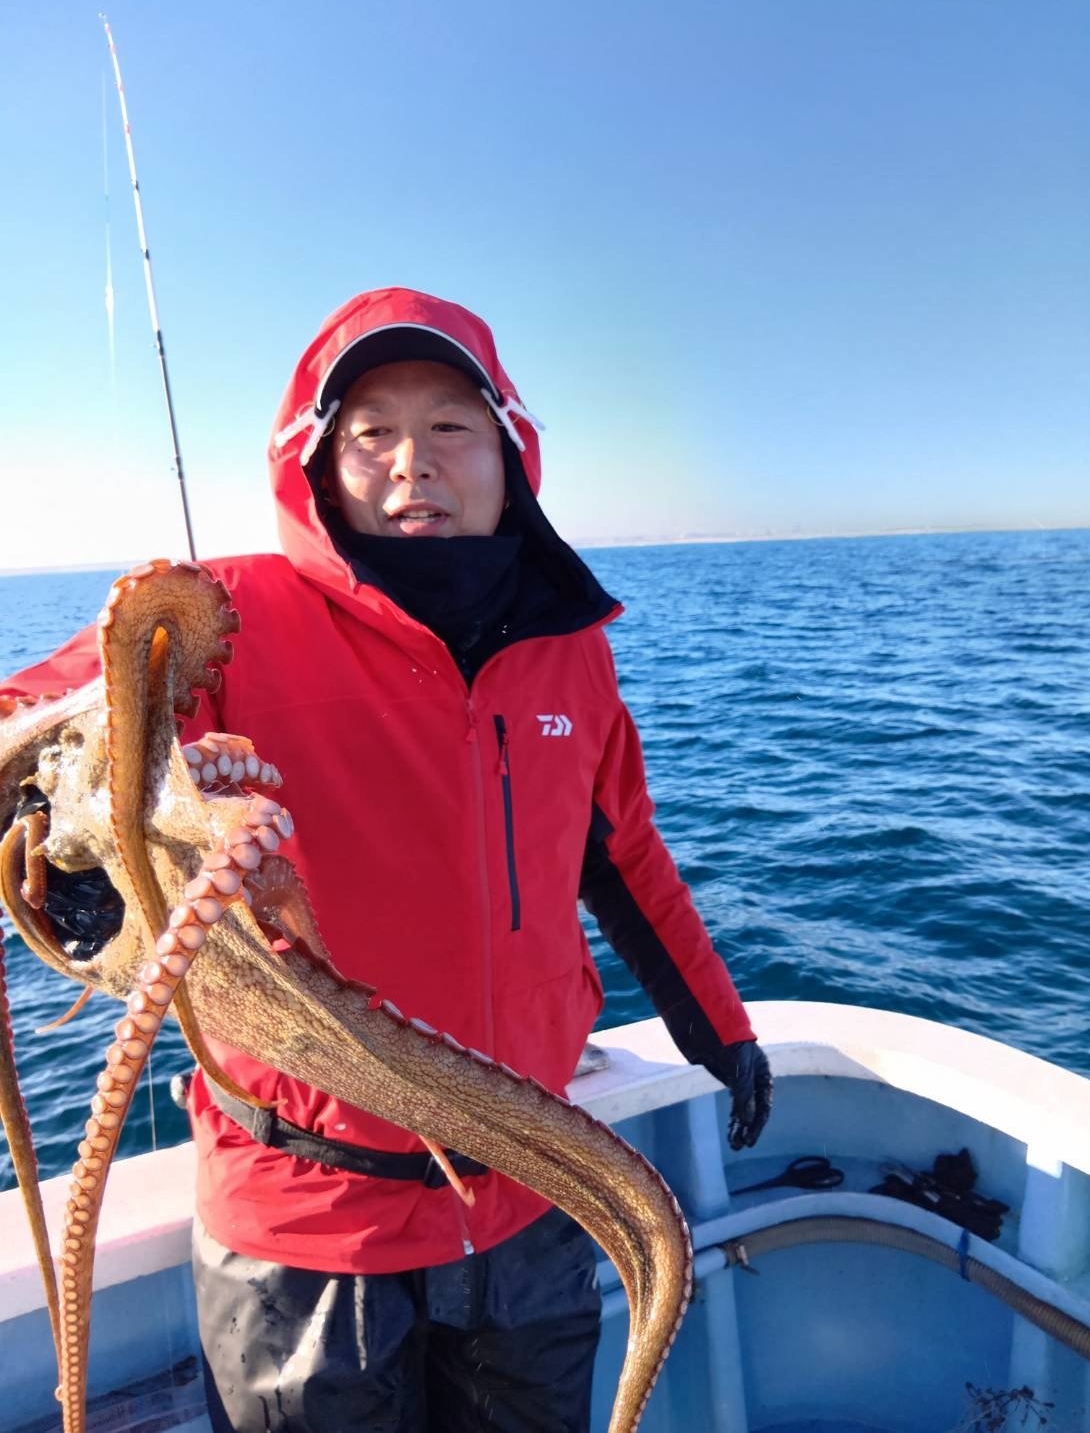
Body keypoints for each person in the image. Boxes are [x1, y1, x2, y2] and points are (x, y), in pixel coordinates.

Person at [3, 287, 773, 1433]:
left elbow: (624, 860)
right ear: (317, 462)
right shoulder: (228, 614)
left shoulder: (571, 654)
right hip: (305, 1226)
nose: (414, 461)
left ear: (512, 455)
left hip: (530, 1191)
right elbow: (39, 723)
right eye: (371, 431)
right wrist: (58, 841)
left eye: (452, 425)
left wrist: (722, 1030)